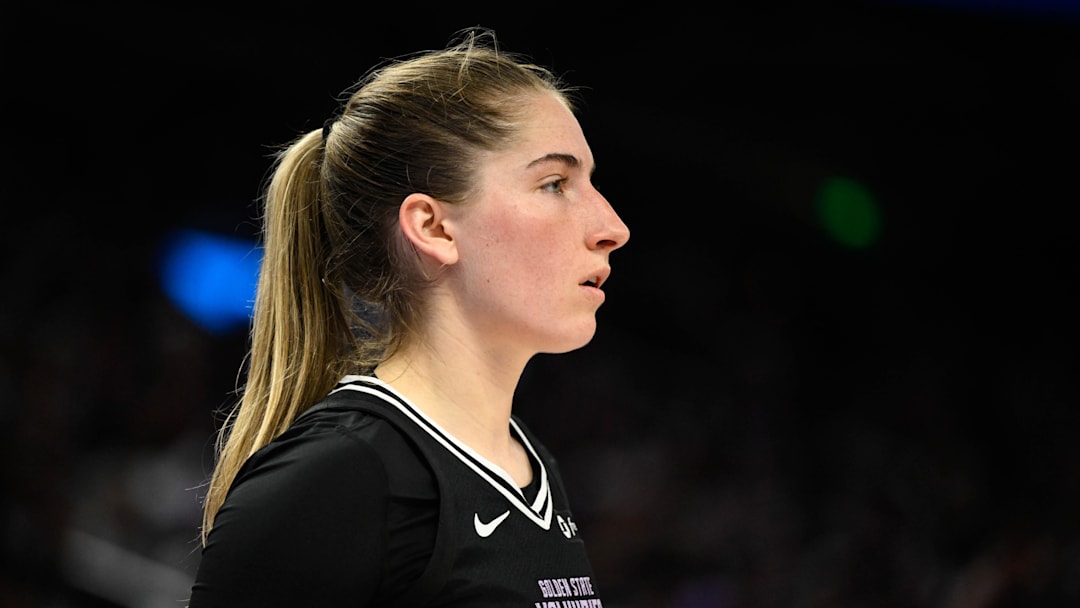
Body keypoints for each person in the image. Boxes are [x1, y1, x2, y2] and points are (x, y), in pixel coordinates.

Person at [186, 27, 630, 607]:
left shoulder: (529, 465)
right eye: (554, 183)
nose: (612, 227)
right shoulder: (341, 475)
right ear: (434, 227)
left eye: (589, 183)